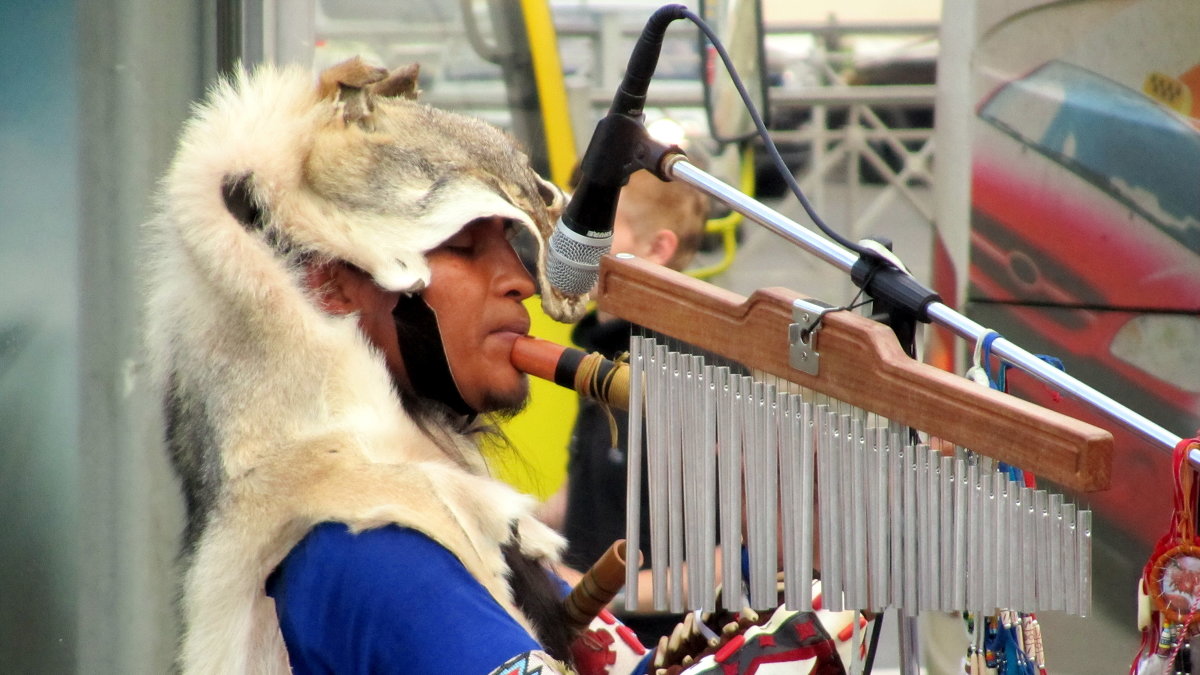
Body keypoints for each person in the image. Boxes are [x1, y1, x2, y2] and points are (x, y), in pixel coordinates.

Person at [143, 58, 650, 674]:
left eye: (509, 245)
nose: (519, 281)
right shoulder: (373, 542)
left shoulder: (414, 512)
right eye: (464, 245)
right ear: (331, 288)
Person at [537, 167, 711, 643]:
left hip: (657, 646)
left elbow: (731, 559)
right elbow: (587, 496)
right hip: (591, 634)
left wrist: (595, 592)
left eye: (599, 228)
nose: (574, 240)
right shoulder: (608, 353)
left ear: (658, 250)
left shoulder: (693, 372)